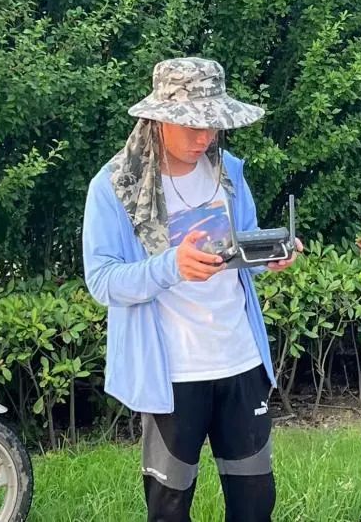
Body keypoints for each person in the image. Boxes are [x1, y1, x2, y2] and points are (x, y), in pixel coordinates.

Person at [82, 56, 301, 522]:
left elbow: (241, 247)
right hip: (172, 375)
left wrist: (269, 256)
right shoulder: (114, 186)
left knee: (255, 503)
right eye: (192, 126)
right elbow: (101, 280)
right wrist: (171, 266)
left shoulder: (228, 171)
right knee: (169, 507)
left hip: (240, 360)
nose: (205, 138)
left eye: (213, 125)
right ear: (159, 119)